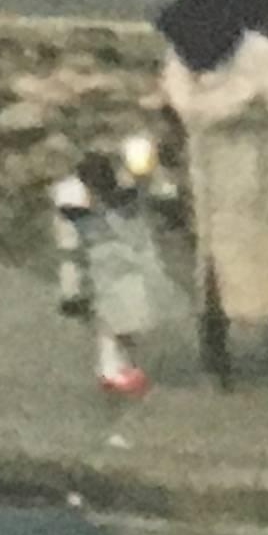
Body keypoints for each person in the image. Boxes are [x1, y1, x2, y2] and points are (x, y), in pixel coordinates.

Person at [156, 0, 268, 388]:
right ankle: (215, 351)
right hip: (206, 173)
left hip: (257, 171)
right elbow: (176, 107)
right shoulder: (183, 55)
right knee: (211, 267)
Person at [50, 145, 169, 397]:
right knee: (111, 324)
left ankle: (118, 366)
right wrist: (72, 289)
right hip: (102, 273)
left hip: (114, 271)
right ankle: (111, 370)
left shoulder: (88, 202)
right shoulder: (76, 204)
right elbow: (70, 250)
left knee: (120, 323)